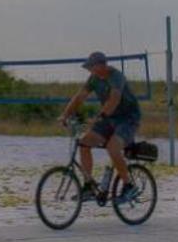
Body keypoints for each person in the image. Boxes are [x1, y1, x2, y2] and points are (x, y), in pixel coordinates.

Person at [59, 51, 142, 204]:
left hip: (127, 119)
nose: (90, 70)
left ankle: (128, 185)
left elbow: (114, 99)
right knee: (84, 143)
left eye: (92, 67)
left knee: (112, 147)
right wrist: (65, 115)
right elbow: (80, 97)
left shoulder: (116, 77)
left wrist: (100, 116)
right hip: (109, 118)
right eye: (89, 68)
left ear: (101, 65)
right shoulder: (94, 78)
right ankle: (89, 185)